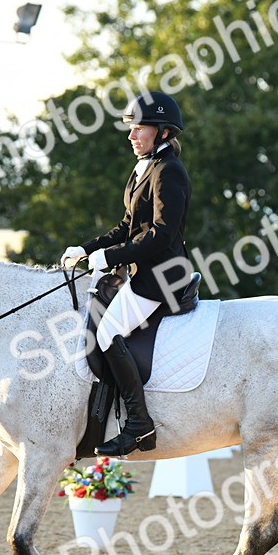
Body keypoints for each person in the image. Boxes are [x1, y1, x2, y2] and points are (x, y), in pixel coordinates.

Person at [60, 90, 192, 457]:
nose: (131, 136)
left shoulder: (170, 172)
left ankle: (138, 424)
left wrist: (110, 255)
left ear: (163, 132)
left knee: (107, 332)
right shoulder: (144, 168)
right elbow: (128, 226)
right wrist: (87, 249)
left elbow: (162, 234)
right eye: (131, 129)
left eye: (139, 129)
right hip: (142, 271)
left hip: (163, 275)